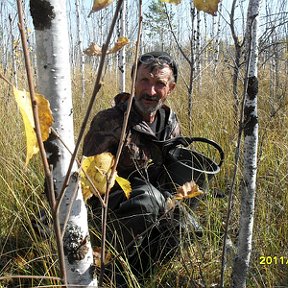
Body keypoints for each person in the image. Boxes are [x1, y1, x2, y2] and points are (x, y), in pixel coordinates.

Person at [83, 51, 185, 286]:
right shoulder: (109, 121)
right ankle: (103, 266)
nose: (150, 91)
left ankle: (137, 275)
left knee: (182, 219)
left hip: (151, 201)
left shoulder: (170, 122)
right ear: (133, 81)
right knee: (150, 201)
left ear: (170, 88)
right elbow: (87, 180)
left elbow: (172, 168)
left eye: (159, 84)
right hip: (108, 207)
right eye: (144, 81)